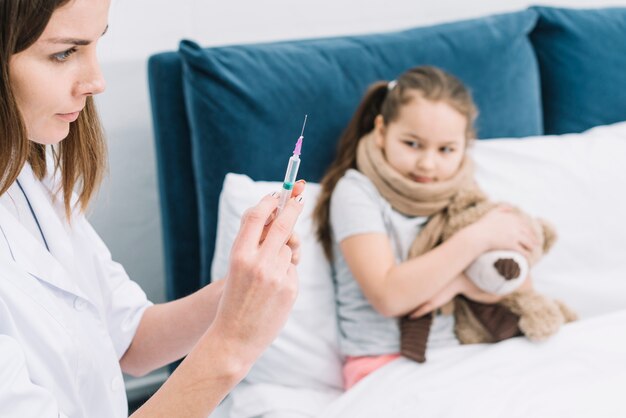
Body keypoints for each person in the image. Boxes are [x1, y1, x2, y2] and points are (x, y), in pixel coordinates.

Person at [0, 0, 306, 416]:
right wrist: (232, 344)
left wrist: (243, 285)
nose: (97, 81)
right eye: (63, 53)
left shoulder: (30, 168)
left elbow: (131, 341)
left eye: (95, 45)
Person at [313, 66, 538, 390]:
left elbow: (520, 283)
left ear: (464, 146)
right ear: (381, 131)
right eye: (413, 144)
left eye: (446, 149)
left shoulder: (462, 189)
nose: (428, 164)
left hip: (468, 351)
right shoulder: (357, 192)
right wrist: (476, 238)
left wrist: (458, 284)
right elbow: (389, 296)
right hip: (386, 362)